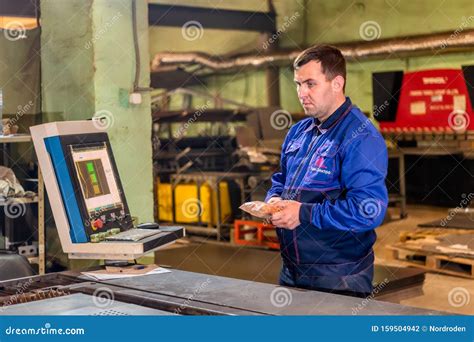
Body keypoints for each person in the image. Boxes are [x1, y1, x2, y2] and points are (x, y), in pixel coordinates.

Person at [266, 45, 388, 297]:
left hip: (339, 276)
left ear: (337, 83)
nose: (302, 93)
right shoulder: (298, 132)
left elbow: (368, 210)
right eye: (298, 84)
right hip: (291, 269)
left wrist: (303, 213)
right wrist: (274, 200)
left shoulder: (360, 136)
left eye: (310, 84)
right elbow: (281, 180)